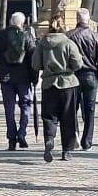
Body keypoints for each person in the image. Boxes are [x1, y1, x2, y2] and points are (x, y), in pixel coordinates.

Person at [32, 15, 86, 162]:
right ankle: (66, 150)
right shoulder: (68, 43)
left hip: (49, 84)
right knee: (68, 117)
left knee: (49, 116)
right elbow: (78, 64)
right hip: (67, 83)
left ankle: (49, 140)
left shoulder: (42, 44)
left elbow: (35, 64)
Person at [0, 10, 36, 150]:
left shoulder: (0, 36)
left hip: (5, 77)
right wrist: (34, 77)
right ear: (23, 23)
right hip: (24, 78)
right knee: (26, 105)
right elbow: (33, 58)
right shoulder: (27, 36)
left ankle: (11, 139)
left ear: (10, 22)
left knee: (9, 108)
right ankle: (22, 132)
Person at [73, 8, 98, 149]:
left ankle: (72, 135)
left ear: (77, 19)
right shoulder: (96, 37)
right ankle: (87, 141)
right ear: (88, 19)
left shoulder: (69, 36)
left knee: (71, 108)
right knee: (90, 108)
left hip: (73, 75)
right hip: (91, 75)